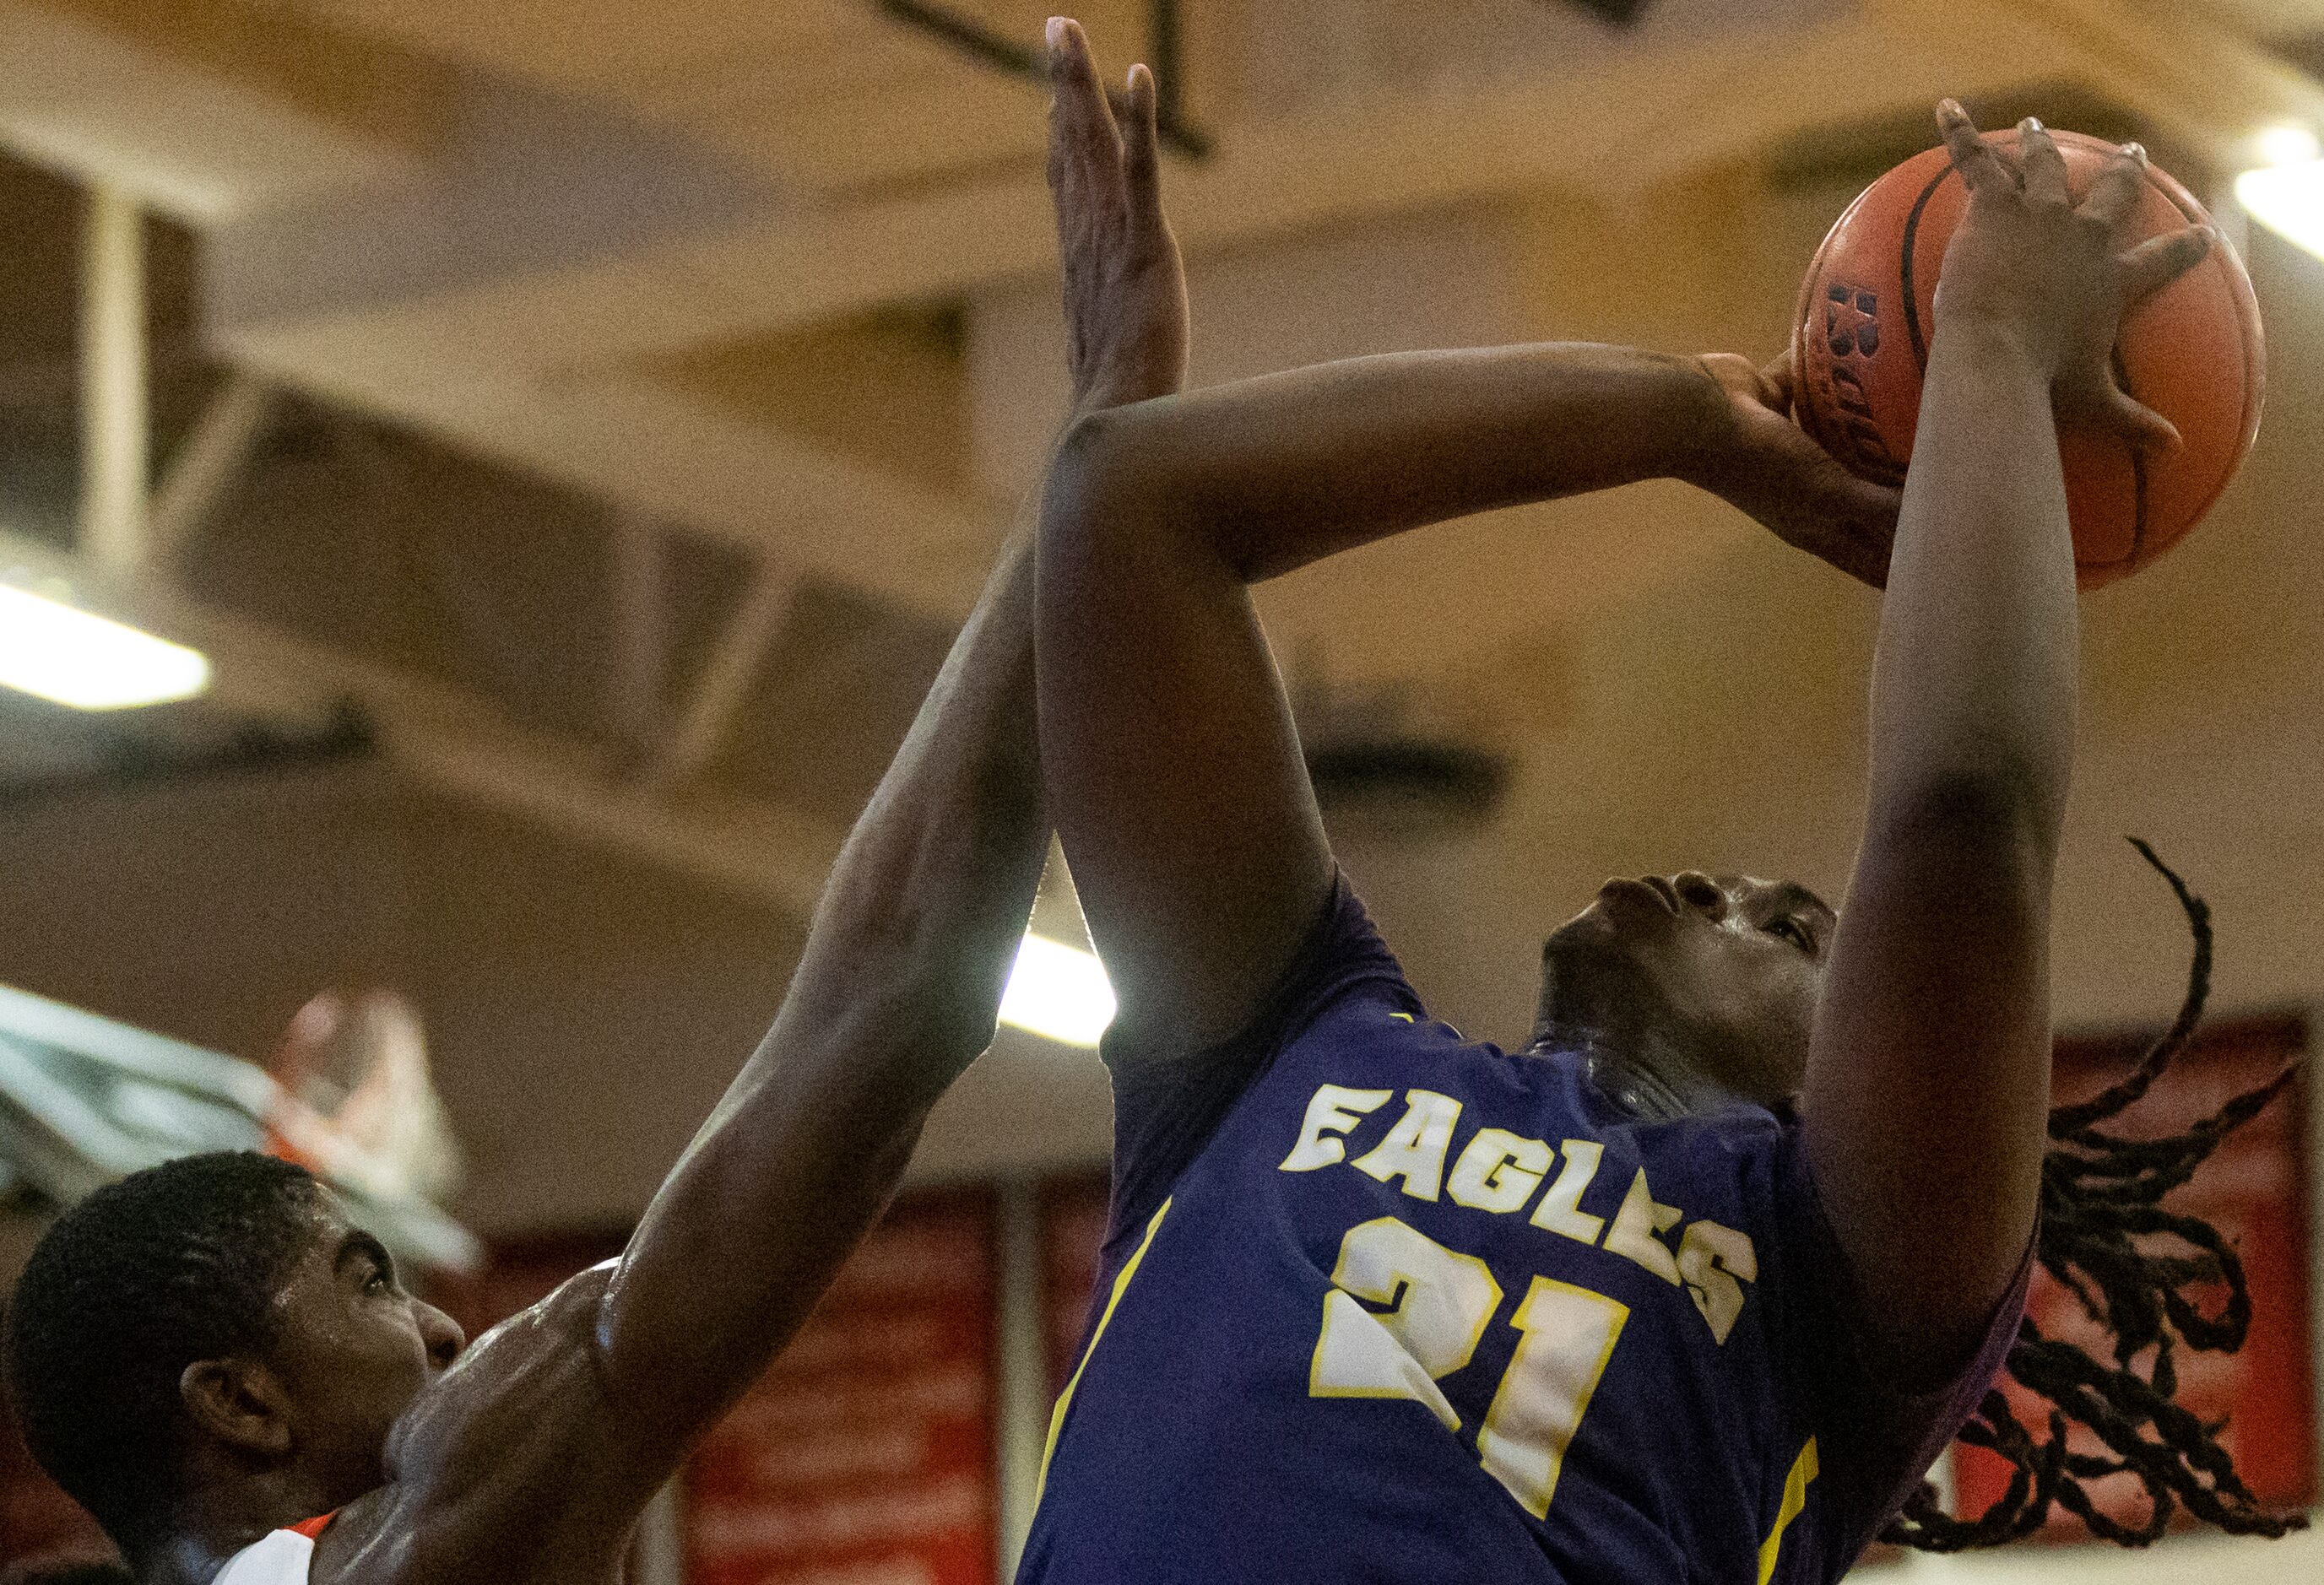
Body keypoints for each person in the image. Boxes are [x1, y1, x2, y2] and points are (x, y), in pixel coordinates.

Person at [1020, 30, 2287, 1579]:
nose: (1718, 888)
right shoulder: (1277, 1050)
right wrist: (1683, 422)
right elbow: (1124, 506)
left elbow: (1960, 815)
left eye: (1798, 928)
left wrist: (1998, 343)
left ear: (1853, 1085)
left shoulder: (1836, 1288)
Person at [0, 40, 1189, 1585]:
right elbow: (882, 1006)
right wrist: (1094, 460)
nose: (439, 1316)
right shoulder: (411, 1547)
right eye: (362, 1279)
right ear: (240, 1403)